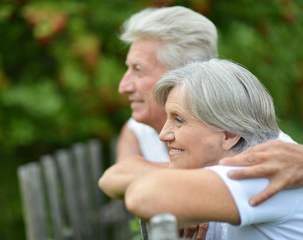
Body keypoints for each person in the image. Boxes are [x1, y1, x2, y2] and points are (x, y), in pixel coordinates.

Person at [115, 5, 302, 208]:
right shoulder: (137, 129)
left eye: (138, 69)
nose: (123, 86)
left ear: (185, 71)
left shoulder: (267, 163)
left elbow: (140, 198)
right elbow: (114, 178)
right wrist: (192, 183)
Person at [100, 59, 303, 239]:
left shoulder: (265, 171)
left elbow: (143, 196)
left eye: (179, 120)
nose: (163, 135)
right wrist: (196, 180)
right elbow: (112, 177)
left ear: (229, 135)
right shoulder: (226, 162)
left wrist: (187, 187)